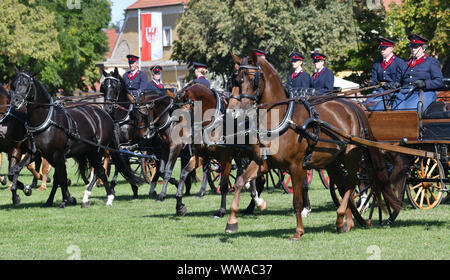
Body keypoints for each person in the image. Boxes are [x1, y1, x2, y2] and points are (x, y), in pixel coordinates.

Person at [392, 33, 444, 111]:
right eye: (412, 47)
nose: (413, 49)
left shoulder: (432, 62)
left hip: (424, 93)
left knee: (410, 113)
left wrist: (425, 83)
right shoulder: (404, 63)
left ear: (423, 48)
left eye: (416, 47)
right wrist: (397, 84)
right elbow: (398, 80)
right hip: (404, 94)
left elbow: (439, 82)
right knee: (394, 112)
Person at [364, 37, 406, 111]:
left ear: (391, 49)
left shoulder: (399, 63)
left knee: (378, 108)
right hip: (379, 92)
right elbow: (374, 80)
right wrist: (367, 84)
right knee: (364, 106)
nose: (382, 51)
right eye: (381, 49)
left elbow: (400, 82)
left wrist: (391, 85)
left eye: (384, 49)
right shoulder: (377, 63)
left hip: (393, 93)